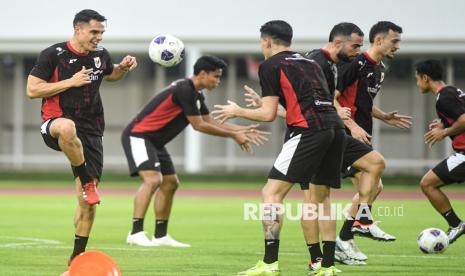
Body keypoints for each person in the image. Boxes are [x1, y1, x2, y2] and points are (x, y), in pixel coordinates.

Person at [213, 20, 345, 276]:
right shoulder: (309, 62)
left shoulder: (270, 65)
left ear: (266, 41)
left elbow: (268, 114)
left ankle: (270, 262)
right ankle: (326, 267)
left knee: (271, 193)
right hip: (334, 129)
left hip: (308, 131)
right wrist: (263, 102)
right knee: (322, 200)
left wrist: (237, 111)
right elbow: (310, 101)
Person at [26, 9, 137, 270]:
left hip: (92, 131)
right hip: (55, 123)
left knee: (87, 205)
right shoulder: (53, 55)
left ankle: (75, 261)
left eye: (102, 33)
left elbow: (110, 75)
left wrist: (123, 68)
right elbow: (32, 89)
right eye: (94, 32)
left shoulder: (101, 56)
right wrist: (70, 82)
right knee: (67, 128)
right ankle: (87, 180)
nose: (98, 37)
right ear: (78, 29)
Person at [123, 55, 269, 247]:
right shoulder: (185, 90)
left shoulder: (196, 94)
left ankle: (160, 236)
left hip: (154, 142)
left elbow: (210, 122)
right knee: (153, 180)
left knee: (170, 183)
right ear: (201, 74)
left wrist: (241, 130)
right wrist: (234, 135)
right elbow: (198, 125)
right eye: (215, 76)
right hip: (139, 136)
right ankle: (136, 232)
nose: (218, 81)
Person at [335, 21, 412, 249]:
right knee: (375, 174)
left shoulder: (379, 69)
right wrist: (351, 125)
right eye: (394, 41)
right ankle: (360, 224)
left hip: (362, 134)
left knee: (374, 187)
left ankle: (345, 239)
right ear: (379, 40)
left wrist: (383, 116)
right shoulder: (355, 64)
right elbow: (333, 97)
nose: (398, 46)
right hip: (346, 133)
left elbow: (363, 102)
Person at [415, 59, 465, 244]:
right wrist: (444, 123)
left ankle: (456, 224)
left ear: (425, 78)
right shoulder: (452, 90)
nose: (417, 83)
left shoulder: (443, 98)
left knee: (427, 184)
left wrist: (444, 132)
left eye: (417, 79)